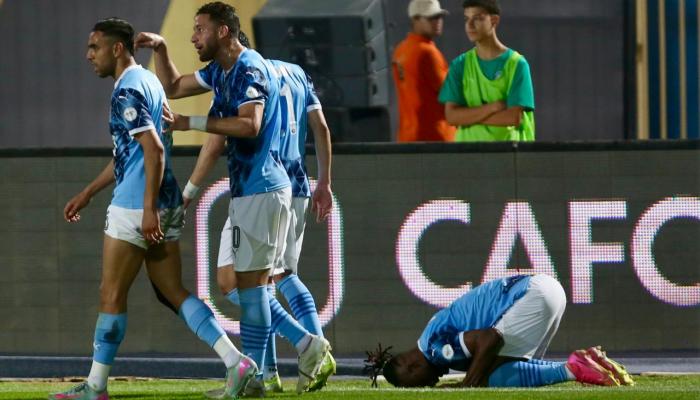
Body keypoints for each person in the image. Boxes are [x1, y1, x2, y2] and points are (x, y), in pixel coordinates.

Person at [133, 2, 330, 395]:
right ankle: (260, 375)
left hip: (264, 188)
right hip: (259, 189)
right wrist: (161, 49)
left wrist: (189, 122)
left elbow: (250, 124)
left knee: (256, 287)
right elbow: (174, 87)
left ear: (223, 31)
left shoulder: (249, 68)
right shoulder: (222, 71)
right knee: (253, 286)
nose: (193, 37)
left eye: (200, 29)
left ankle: (303, 348)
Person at [50, 18, 251, 400]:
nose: (89, 55)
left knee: (110, 294)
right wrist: (88, 192)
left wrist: (147, 209)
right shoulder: (151, 83)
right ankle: (235, 361)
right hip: (166, 202)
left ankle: (95, 386)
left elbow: (154, 150)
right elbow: (131, 153)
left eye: (94, 47)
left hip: (137, 206)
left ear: (117, 49)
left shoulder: (127, 89)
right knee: (172, 290)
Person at [370, 274, 635, 388]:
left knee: (488, 376)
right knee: (514, 371)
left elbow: (490, 338)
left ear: (411, 366)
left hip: (532, 296)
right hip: (547, 289)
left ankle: (574, 369)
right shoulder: (431, 336)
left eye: (421, 384)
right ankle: (591, 362)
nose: (431, 384)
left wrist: (468, 384)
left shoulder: (435, 349)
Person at [439, 0, 535, 142]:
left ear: (494, 20)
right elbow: (452, 116)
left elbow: (512, 117)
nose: (470, 25)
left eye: (477, 18)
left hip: (507, 152)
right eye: (466, 19)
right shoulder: (459, 65)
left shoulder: (517, 64)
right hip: (468, 152)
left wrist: (467, 117)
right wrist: (492, 107)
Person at [392, 0, 455, 142]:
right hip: (434, 137)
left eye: (439, 17)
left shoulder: (400, 50)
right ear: (415, 19)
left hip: (408, 136)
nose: (437, 22)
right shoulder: (427, 52)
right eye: (431, 17)